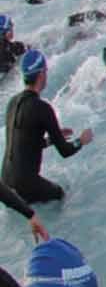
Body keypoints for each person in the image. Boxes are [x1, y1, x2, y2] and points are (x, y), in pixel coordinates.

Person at [5, 49, 89, 207]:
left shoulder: (12, 103)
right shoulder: (42, 108)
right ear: (42, 74)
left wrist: (51, 140)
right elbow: (65, 151)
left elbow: (23, 144)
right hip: (25, 185)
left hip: (5, 182)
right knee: (61, 195)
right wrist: (81, 140)